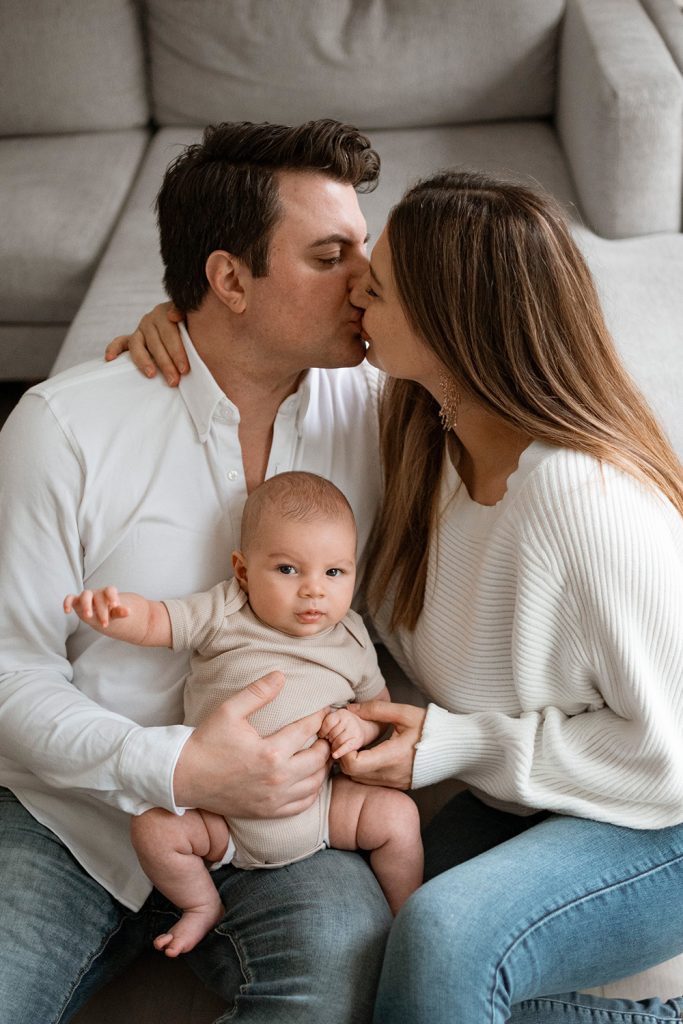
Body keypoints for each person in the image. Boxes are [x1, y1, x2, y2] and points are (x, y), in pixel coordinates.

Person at [124, 170, 683, 1024]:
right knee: (369, 949)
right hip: (535, 798)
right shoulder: (419, 432)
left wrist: (455, 744)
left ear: (449, 322)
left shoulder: (584, 504)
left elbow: (668, 757)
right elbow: (257, 370)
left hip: (658, 820)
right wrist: (189, 335)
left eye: (375, 289)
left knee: (444, 936)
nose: (353, 296)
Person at [0, 119, 393, 1024]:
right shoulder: (67, 427)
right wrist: (174, 769)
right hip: (74, 815)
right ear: (227, 279)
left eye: (361, 250)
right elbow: (12, 670)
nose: (364, 281)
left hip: (285, 828)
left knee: (343, 973)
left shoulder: (380, 414)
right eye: (330, 255)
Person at [64, 471, 423, 957]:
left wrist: (358, 725)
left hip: (320, 808)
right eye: (289, 570)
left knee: (398, 817)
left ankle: (408, 920)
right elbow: (158, 620)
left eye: (334, 573)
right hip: (221, 818)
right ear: (243, 570)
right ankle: (200, 905)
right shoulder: (225, 611)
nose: (314, 590)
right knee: (153, 828)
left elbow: (376, 707)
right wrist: (115, 610)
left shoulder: (352, 638)